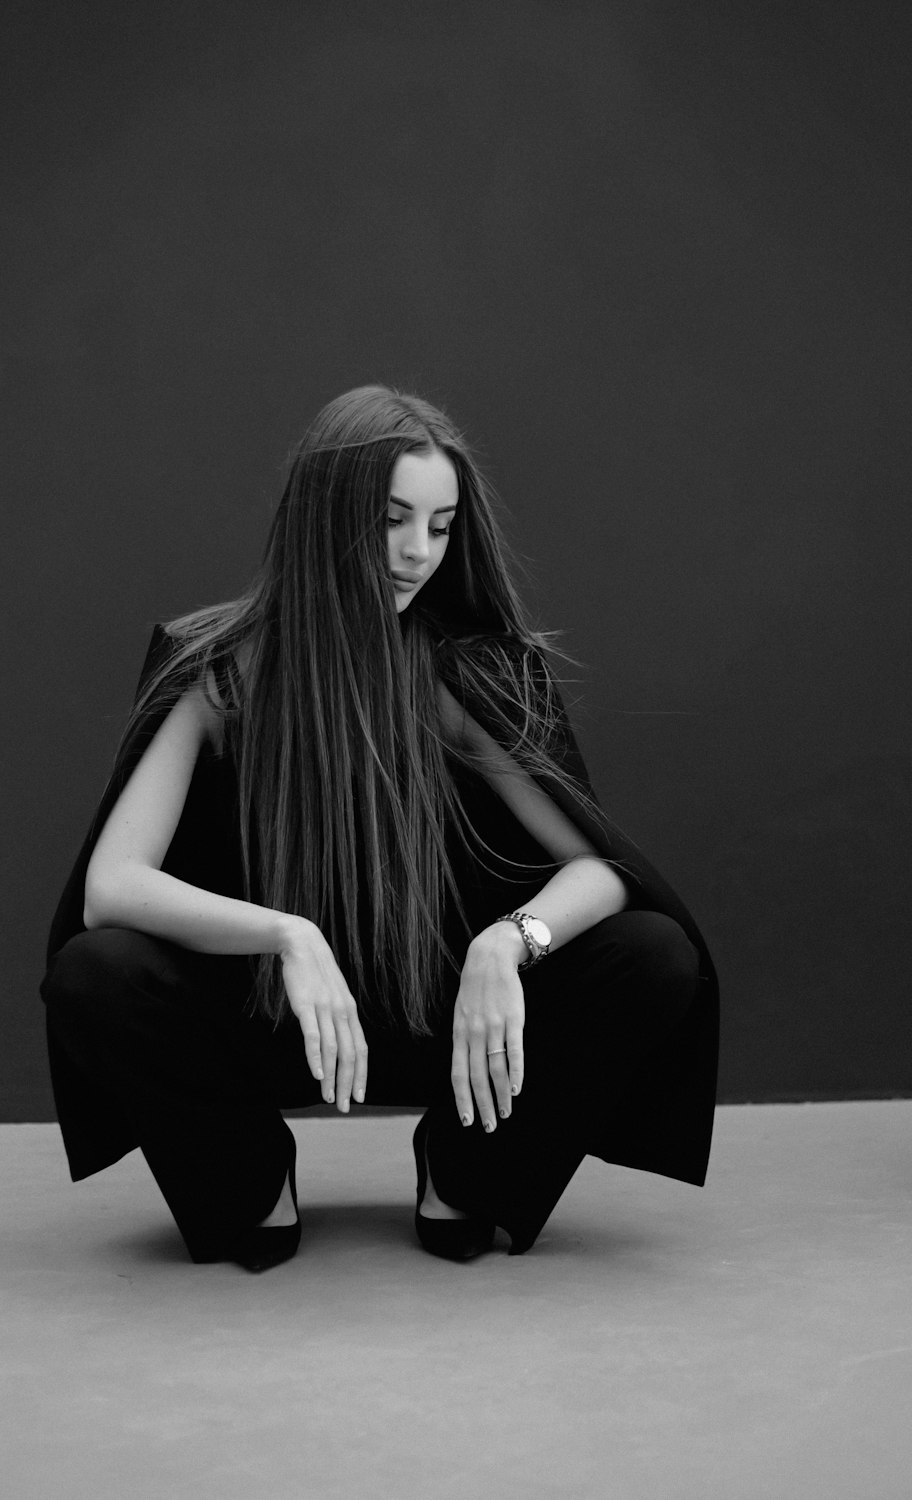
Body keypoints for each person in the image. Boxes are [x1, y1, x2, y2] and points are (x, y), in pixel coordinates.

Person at [40, 384, 719, 1272]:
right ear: (329, 515)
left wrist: (507, 946)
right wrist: (285, 934)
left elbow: (598, 868)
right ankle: (251, 1180)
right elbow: (111, 888)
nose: (416, 553)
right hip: (275, 1020)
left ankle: (463, 1172)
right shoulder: (221, 673)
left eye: (440, 527)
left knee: (653, 956)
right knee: (97, 975)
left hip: (443, 1026)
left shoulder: (461, 675)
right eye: (394, 519)